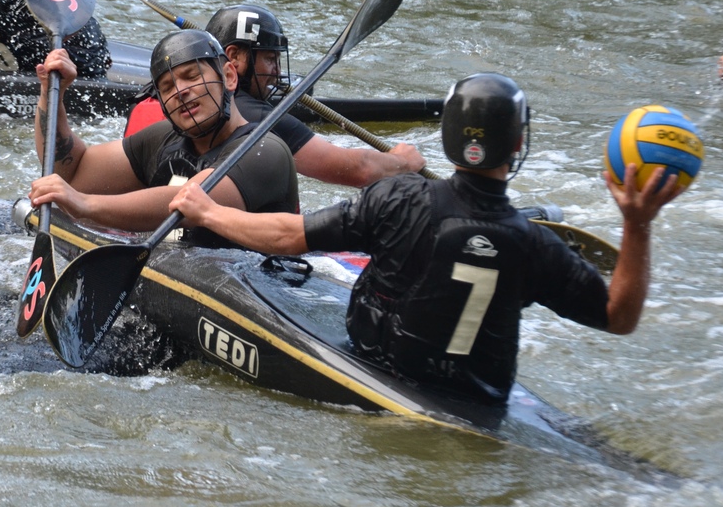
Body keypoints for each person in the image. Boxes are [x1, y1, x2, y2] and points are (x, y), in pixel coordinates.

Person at [170, 73, 683, 405]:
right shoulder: (533, 245)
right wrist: (637, 225)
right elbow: (619, 317)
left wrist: (209, 211)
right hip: (478, 400)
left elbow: (285, 237)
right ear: (519, 144)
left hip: (377, 370)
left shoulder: (396, 198)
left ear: (450, 137)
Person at [28, 29, 297, 245]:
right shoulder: (161, 140)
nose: (180, 92)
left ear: (228, 77)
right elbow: (72, 173)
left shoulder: (264, 151)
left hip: (253, 288)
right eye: (167, 87)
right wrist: (52, 94)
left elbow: (192, 200)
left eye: (191, 77)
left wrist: (84, 204)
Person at [204, 3, 425, 186]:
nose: (278, 73)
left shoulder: (189, 105)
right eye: (271, 59)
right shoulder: (255, 118)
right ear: (234, 58)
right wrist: (401, 162)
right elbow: (357, 170)